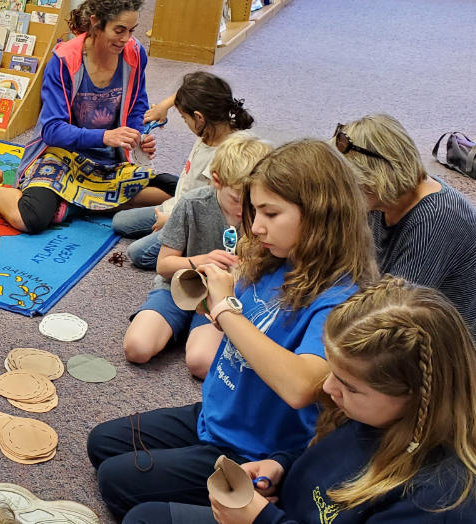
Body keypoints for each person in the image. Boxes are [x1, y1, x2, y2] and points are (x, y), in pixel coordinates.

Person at [87, 140, 378, 520]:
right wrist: (213, 292)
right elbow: (226, 314)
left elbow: (301, 387)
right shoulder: (276, 256)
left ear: (320, 214)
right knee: (101, 444)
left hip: (253, 447)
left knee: (116, 483)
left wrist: (225, 309)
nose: (256, 226)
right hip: (218, 414)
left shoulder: (341, 297)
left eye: (271, 214)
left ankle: (259, 497)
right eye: (254, 211)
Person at [122, 277, 476, 523]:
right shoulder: (375, 418)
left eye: (350, 386)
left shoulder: (444, 504)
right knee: (144, 514)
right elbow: (329, 460)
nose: (327, 390)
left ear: (418, 395)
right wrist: (283, 466)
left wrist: (262, 520)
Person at [0, 0, 172, 234]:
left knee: (174, 191)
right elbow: (51, 130)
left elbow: (137, 104)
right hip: (61, 157)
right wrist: (106, 136)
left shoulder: (134, 53)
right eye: (119, 30)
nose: (127, 39)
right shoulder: (64, 60)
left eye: (132, 30)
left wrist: (136, 137)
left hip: (108, 161)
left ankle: (75, 203)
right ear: (96, 22)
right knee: (31, 219)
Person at [334, 114, 476, 372]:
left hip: (452, 355)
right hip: (402, 323)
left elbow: (393, 311)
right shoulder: (381, 198)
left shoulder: (438, 217)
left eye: (355, 182)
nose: (347, 190)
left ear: (383, 174)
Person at [123, 133, 273, 373]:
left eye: (252, 202)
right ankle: (179, 324)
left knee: (202, 364)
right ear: (216, 180)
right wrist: (201, 261)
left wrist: (245, 268)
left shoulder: (262, 213)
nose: (244, 209)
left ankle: (187, 328)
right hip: (177, 288)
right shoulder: (192, 204)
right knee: (137, 348)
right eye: (236, 199)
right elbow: (164, 266)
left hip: (223, 297)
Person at [115, 72, 255, 270]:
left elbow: (210, 210)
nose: (185, 122)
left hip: (195, 221)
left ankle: (196, 250)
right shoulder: (214, 124)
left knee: (138, 254)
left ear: (199, 117)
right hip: (178, 203)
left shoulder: (226, 154)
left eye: (183, 118)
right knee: (120, 222)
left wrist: (171, 221)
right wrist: (164, 105)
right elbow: (190, 92)